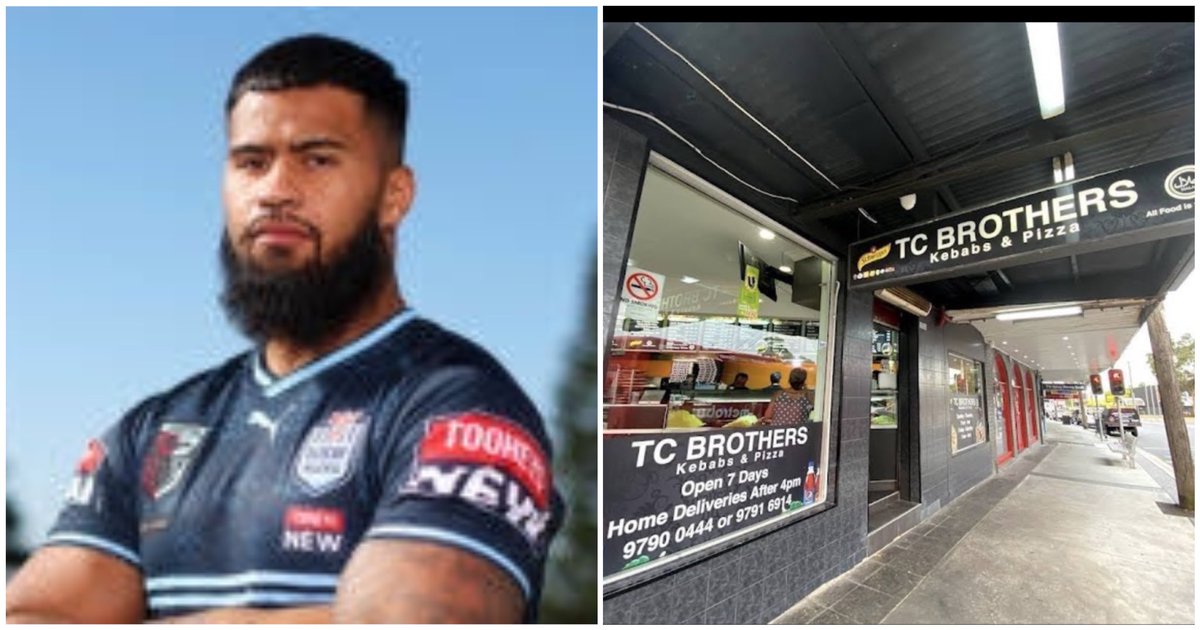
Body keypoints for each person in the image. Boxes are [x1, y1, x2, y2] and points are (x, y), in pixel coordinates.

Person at [6, 34, 561, 624]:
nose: (274, 190)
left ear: (393, 197)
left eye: (317, 159)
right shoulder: (154, 431)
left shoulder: (461, 406)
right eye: (251, 162)